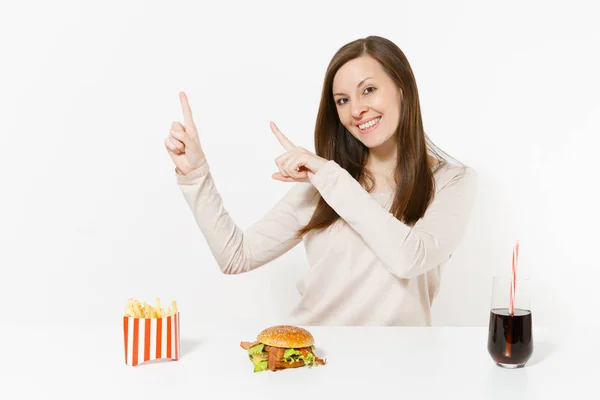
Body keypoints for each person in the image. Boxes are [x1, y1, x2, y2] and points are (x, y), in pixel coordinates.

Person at [164, 36, 477, 326]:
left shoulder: (451, 182)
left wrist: (329, 176)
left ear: (402, 88)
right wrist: (195, 174)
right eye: (342, 100)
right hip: (313, 365)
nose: (356, 109)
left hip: (399, 371)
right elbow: (236, 256)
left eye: (368, 90)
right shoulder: (326, 184)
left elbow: (409, 258)